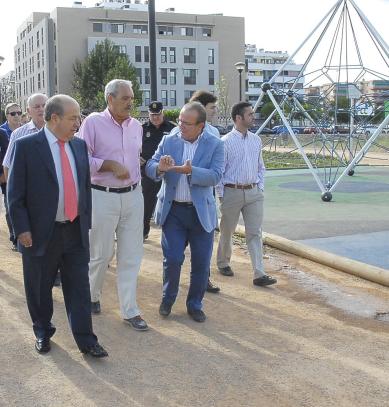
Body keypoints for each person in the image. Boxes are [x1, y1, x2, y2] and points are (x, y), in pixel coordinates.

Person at [7, 94, 108, 357]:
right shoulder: (27, 146)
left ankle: (86, 340)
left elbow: (84, 188)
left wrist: (85, 221)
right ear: (55, 118)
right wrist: (22, 230)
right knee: (39, 287)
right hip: (41, 233)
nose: (78, 122)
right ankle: (42, 330)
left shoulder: (79, 146)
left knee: (79, 288)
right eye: (73, 117)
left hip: (74, 230)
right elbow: (14, 194)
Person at [78, 79, 148, 331]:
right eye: (126, 98)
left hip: (133, 195)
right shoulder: (93, 122)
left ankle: (130, 310)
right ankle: (92, 295)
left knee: (131, 254)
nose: (131, 102)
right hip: (102, 195)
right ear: (110, 98)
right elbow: (81, 158)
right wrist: (107, 164)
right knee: (101, 253)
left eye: (132, 98)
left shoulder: (136, 126)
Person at [146, 102, 224, 322]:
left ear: (201, 125)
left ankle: (195, 304)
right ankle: (167, 299)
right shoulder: (169, 140)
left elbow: (216, 176)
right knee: (172, 258)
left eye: (187, 123)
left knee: (201, 263)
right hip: (174, 212)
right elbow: (150, 167)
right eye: (180, 120)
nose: (181, 126)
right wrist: (160, 167)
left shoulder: (215, 144)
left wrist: (192, 172)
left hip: (201, 214)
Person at [216, 102, 277, 287]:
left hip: (254, 193)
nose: (253, 117)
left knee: (255, 233)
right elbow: (219, 172)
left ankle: (259, 273)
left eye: (252, 113)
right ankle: (223, 262)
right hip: (231, 192)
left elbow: (261, 166)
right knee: (227, 231)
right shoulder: (224, 142)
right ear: (238, 118)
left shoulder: (256, 140)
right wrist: (221, 195)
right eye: (249, 114)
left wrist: (260, 187)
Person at [2, 94, 48, 252]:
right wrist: (13, 194)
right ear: (28, 111)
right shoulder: (18, 134)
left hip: (55, 196)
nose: (41, 109)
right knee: (33, 243)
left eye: (44, 105)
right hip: (30, 197)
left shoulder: (60, 132)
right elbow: (8, 165)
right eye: (37, 106)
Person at [189, 90, 221, 293]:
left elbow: (217, 169)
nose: (215, 111)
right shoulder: (180, 133)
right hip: (185, 197)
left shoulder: (215, 134)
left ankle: (204, 278)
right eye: (212, 108)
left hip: (207, 196)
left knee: (204, 244)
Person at [141, 101, 175, 241]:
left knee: (170, 203)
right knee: (146, 204)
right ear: (149, 114)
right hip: (148, 172)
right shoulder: (142, 129)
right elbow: (135, 146)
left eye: (158, 114)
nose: (155, 117)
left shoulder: (172, 128)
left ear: (163, 113)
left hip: (168, 172)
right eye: (152, 115)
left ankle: (170, 234)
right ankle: (143, 231)